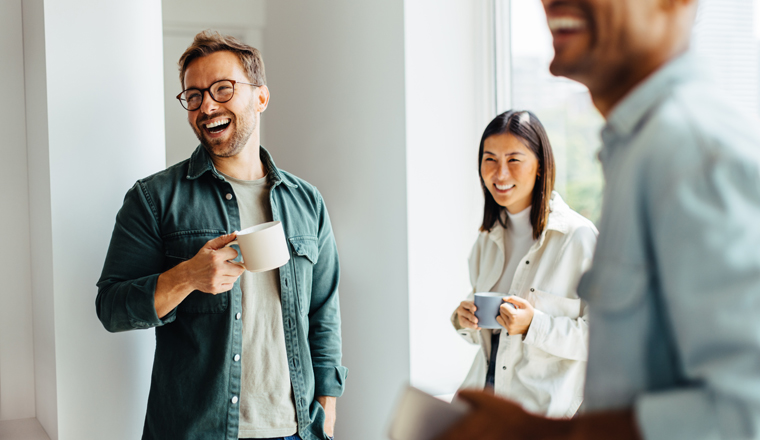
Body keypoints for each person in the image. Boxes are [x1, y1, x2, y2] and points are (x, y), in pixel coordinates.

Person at [437, 0, 760, 439]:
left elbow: (747, 415)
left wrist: (545, 435)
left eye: (515, 159)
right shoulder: (640, 152)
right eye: (490, 159)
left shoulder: (695, 155)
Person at [96, 30, 346, 440]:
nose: (206, 104)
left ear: (260, 98)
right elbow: (111, 308)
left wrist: (327, 406)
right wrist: (188, 277)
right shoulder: (154, 198)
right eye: (193, 96)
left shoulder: (307, 202)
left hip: (296, 429)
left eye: (222, 89)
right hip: (196, 431)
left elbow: (323, 312)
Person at [452, 110, 597, 418]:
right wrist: (464, 320)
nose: (500, 174)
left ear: (541, 167)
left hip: (543, 418)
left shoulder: (578, 237)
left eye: (514, 160)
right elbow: (493, 341)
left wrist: (534, 324)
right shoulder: (486, 241)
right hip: (485, 407)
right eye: (489, 159)